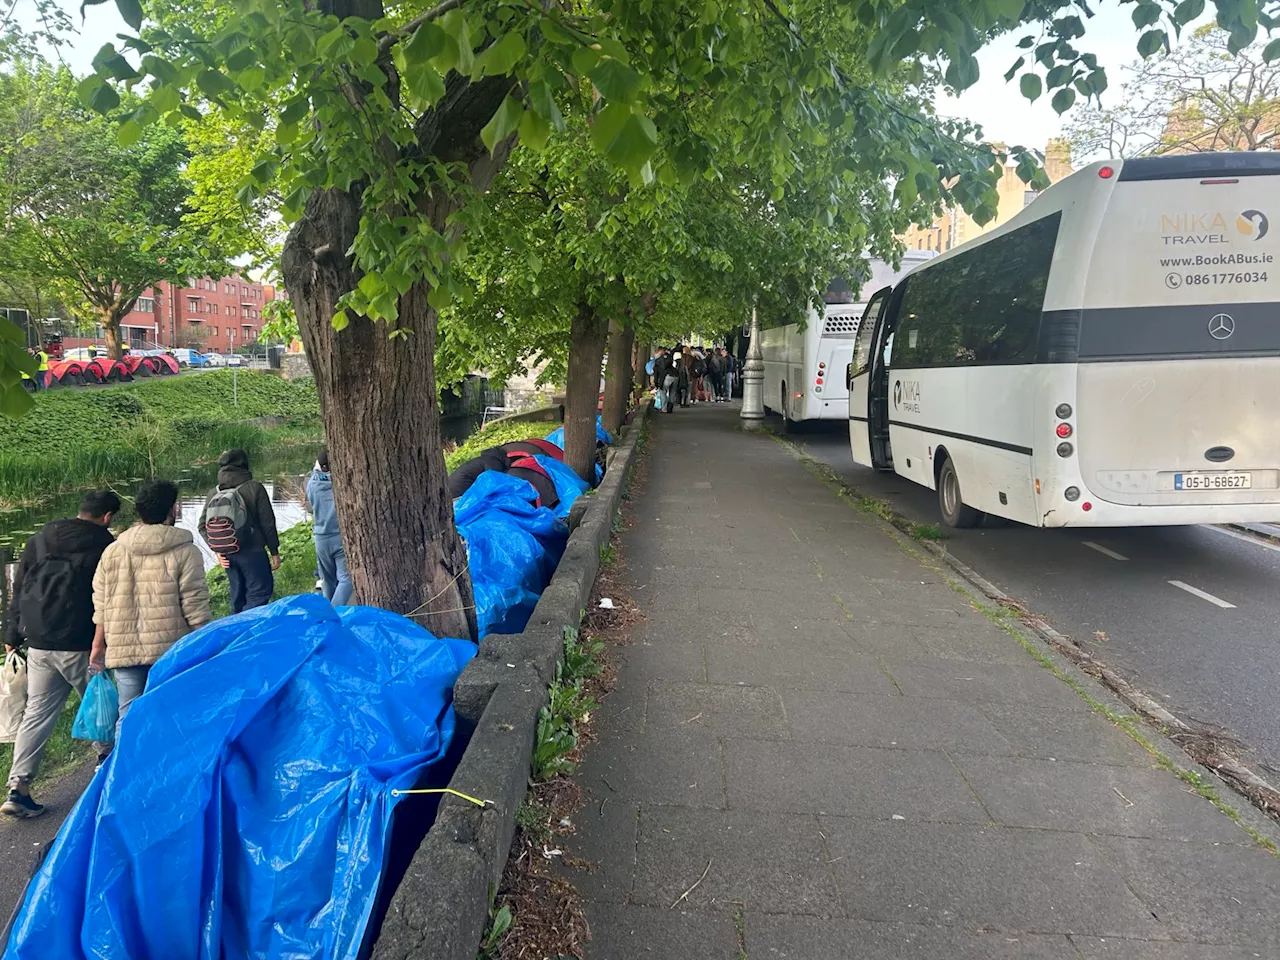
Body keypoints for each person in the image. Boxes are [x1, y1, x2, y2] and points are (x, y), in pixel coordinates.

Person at [1, 491, 120, 818]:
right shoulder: (105, 545)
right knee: (100, 706)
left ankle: (18, 788)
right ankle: (108, 768)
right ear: (107, 516)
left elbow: (18, 588)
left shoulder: (39, 540)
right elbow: (109, 597)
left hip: (39, 642)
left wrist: (11, 634)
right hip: (82, 644)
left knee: (36, 713)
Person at [90, 479, 211, 741]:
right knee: (173, 713)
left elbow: (102, 604)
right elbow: (194, 605)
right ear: (172, 510)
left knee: (129, 717)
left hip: (124, 649)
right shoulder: (186, 551)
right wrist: (208, 643)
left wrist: (98, 645)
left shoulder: (113, 551)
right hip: (171, 650)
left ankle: (125, 774)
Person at [198, 448, 281, 614]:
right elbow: (267, 524)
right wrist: (274, 551)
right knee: (259, 594)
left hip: (227, 555)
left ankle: (236, 632)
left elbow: (202, 526)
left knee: (237, 598)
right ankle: (251, 633)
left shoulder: (214, 492)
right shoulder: (255, 488)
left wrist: (217, 550)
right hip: (253, 553)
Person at [305, 449, 353, 606]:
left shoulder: (312, 484)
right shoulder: (341, 484)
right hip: (339, 537)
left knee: (327, 580)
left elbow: (309, 506)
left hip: (320, 537)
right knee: (346, 580)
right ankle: (334, 612)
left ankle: (327, 613)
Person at [652, 347, 677, 414]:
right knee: (672, 392)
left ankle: (664, 409)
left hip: (665, 377)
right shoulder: (669, 358)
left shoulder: (657, 361)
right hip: (675, 375)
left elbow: (656, 373)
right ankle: (670, 408)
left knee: (663, 392)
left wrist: (656, 383)